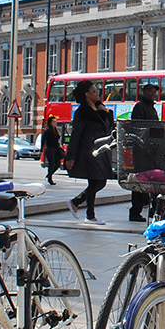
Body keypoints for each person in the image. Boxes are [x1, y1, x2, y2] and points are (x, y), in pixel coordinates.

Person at [64, 79, 112, 224]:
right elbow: (76, 134)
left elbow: (108, 127)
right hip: (88, 150)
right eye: (94, 91)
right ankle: (90, 215)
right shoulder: (82, 112)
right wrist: (70, 156)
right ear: (86, 94)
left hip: (100, 149)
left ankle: (76, 202)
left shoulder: (99, 109)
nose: (97, 94)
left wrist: (106, 112)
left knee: (101, 181)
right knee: (95, 180)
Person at [128, 82, 164, 222]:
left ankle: (155, 209)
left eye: (154, 92)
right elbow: (138, 127)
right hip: (142, 150)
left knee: (154, 179)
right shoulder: (140, 107)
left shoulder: (152, 108)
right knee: (140, 179)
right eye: (150, 91)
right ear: (144, 92)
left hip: (153, 149)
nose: (153, 94)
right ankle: (135, 211)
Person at [40, 115, 64, 185]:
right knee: (51, 163)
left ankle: (49, 174)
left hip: (56, 149)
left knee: (58, 164)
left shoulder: (56, 130)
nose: (55, 123)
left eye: (55, 122)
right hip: (50, 149)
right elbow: (43, 140)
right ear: (50, 123)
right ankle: (50, 179)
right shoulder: (47, 131)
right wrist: (41, 150)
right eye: (53, 122)